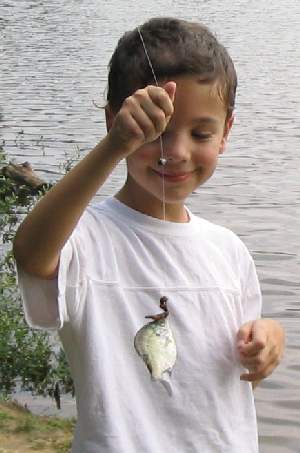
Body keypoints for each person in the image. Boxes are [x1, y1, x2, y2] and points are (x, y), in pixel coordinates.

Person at [13, 17, 285, 453]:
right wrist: (114, 146)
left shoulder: (230, 252)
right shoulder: (86, 238)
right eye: (154, 131)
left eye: (200, 133)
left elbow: (233, 381)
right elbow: (29, 254)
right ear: (115, 123)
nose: (175, 152)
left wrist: (269, 338)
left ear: (226, 133)